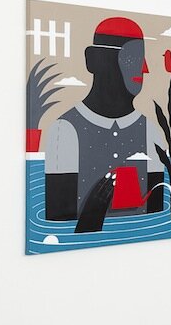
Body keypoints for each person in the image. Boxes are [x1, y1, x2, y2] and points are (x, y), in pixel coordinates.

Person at [44, 17, 164, 232]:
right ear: (94, 60)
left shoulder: (151, 132)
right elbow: (59, 227)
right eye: (131, 57)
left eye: (142, 58)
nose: (144, 69)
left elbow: (157, 219)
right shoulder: (65, 130)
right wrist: (92, 214)